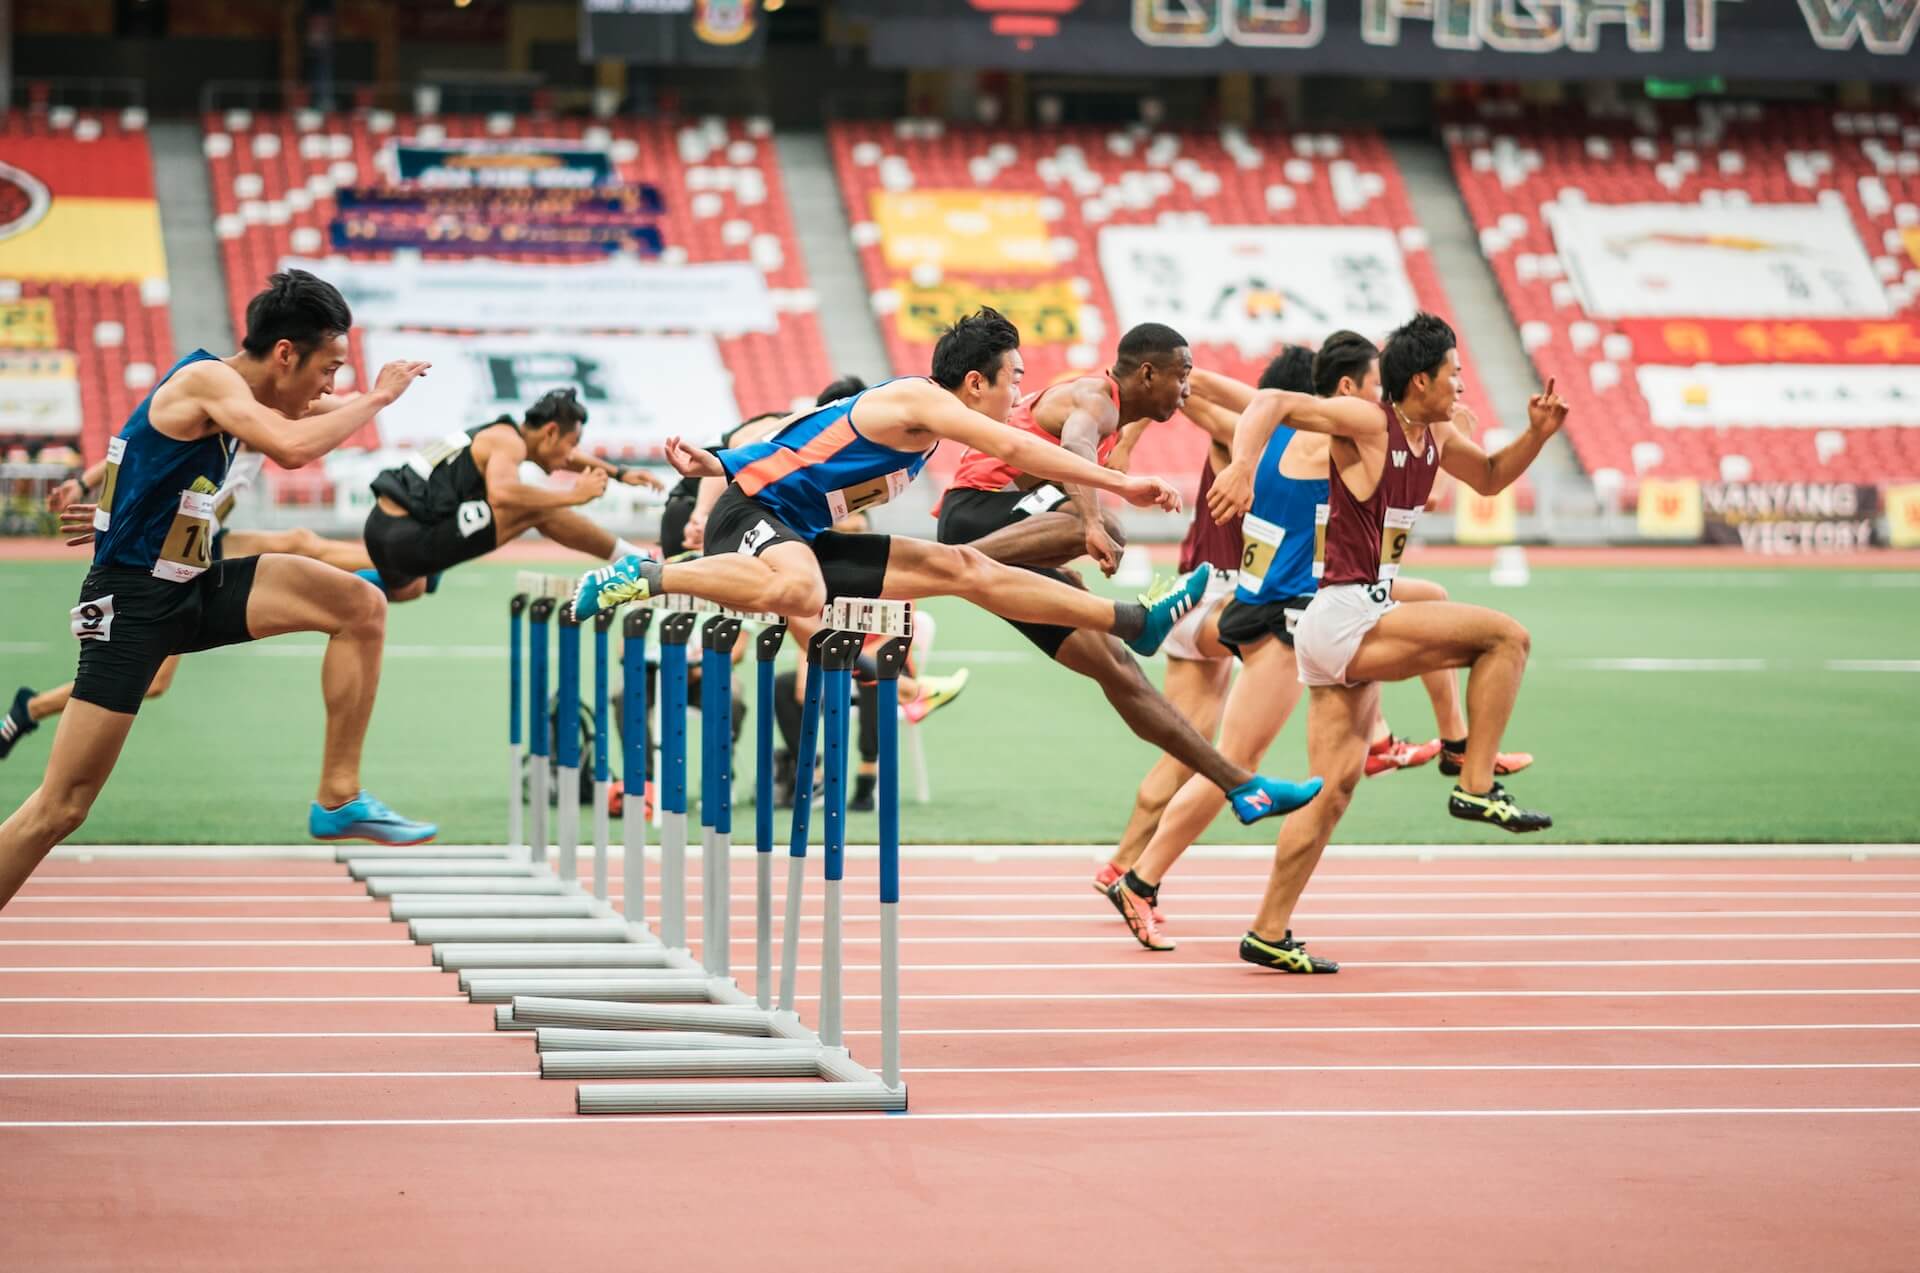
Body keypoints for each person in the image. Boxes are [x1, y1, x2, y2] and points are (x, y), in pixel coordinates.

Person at [574, 308, 1321, 824]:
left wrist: (724, 453)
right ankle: (642, 574)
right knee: (802, 586)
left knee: (967, 570)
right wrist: (1118, 486)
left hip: (801, 525)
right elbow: (1025, 450)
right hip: (756, 523)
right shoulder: (922, 403)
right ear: (974, 383)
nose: (1023, 389)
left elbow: (806, 432)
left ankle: (1150, 640)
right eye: (1013, 376)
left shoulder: (919, 419)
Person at [0, 269, 437, 909]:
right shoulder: (210, 381)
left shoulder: (246, 389)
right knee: (61, 808)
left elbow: (299, 412)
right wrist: (377, 401)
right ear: (285, 353)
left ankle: (338, 798)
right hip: (135, 604)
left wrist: (100, 499)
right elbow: (291, 448)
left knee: (360, 605)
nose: (330, 385)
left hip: (195, 583)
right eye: (328, 367)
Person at [1105, 333, 1525, 953]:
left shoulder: (1269, 427)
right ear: (1346, 391)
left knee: (1429, 602)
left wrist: (1136, 432)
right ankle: (1137, 878)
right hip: (1281, 612)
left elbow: (1203, 392)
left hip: (1269, 603)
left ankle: (1433, 744)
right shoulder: (1331, 441)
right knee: (1235, 763)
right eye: (1377, 389)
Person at [1200, 314, 1563, 973]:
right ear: (1419, 379)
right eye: (1453, 373)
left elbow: (1487, 476)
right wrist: (1244, 466)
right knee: (1505, 637)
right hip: (1344, 613)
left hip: (1342, 619)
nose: (1461, 385)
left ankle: (1267, 930)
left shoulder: (1434, 435)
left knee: (1331, 790)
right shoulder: (1372, 422)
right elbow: (1275, 400)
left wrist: (1536, 436)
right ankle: (1472, 777)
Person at [933, 323, 1297, 826]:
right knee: (1108, 525)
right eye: (1181, 376)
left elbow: (1069, 471)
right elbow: (1074, 451)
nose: (1187, 390)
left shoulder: (1121, 414)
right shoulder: (1095, 399)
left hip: (1009, 528)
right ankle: (933, 574)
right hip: (976, 513)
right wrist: (1089, 523)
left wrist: (1059, 559)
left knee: (1121, 670)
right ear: (1147, 374)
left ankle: (1242, 786)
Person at [364, 387, 661, 600]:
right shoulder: (509, 444)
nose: (571, 455)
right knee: (534, 506)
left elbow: (563, 456)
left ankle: (340, 584)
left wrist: (619, 473)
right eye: (571, 443)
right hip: (407, 538)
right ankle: (640, 562)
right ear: (550, 432)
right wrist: (573, 496)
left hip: (383, 527)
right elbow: (503, 494)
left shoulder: (501, 434)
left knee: (409, 589)